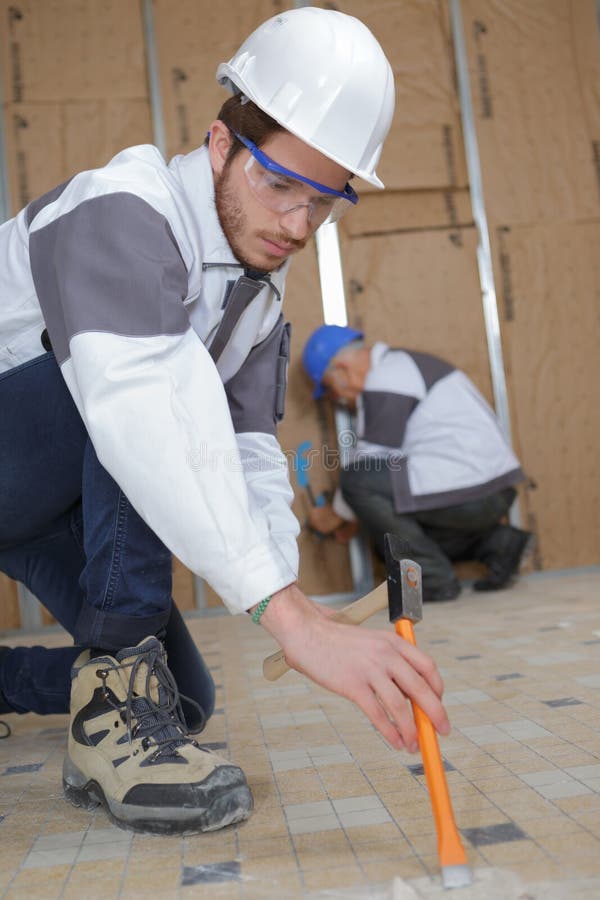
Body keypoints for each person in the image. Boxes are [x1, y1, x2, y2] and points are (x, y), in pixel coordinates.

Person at [0, 8, 450, 836]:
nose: (295, 225)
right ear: (220, 144)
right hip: (20, 444)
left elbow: (247, 452)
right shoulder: (125, 207)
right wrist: (289, 621)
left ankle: (69, 696)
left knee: (183, 696)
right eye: (279, 186)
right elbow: (142, 405)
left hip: (40, 496)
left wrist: (297, 608)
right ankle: (113, 718)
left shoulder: (259, 295)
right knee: (154, 382)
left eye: (324, 204)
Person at [303, 325, 534, 602]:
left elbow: (371, 463)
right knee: (390, 545)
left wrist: (335, 515)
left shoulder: (387, 375)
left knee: (357, 479)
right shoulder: (403, 366)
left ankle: (433, 580)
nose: (339, 400)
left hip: (470, 487)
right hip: (493, 488)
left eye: (331, 390)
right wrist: (356, 514)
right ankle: (499, 545)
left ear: (341, 369)